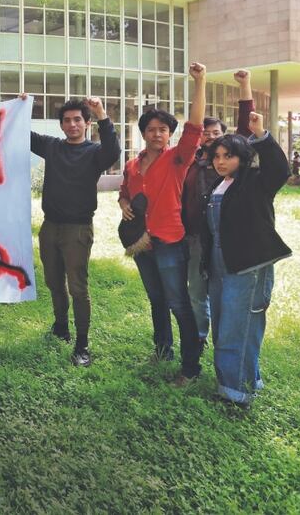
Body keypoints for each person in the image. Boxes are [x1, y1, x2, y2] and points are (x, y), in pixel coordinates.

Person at [118, 62, 207, 384]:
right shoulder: (132, 164)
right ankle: (162, 350)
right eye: (152, 129)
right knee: (156, 300)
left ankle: (190, 367)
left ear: (170, 135)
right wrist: (125, 202)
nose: (157, 134)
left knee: (178, 304)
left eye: (163, 130)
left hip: (170, 242)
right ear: (143, 133)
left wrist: (200, 82)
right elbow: (124, 192)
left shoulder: (178, 159)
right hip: (141, 243)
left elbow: (195, 127)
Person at [202, 112, 291, 410]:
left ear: (243, 157)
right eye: (217, 156)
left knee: (236, 328)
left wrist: (262, 133)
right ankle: (246, 378)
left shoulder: (255, 181)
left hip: (248, 267)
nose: (221, 161)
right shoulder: (219, 185)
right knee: (229, 324)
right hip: (219, 266)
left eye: (228, 156)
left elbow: (279, 169)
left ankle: (234, 392)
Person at [29, 96, 121, 367]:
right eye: (67, 120)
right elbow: (20, 133)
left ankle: (82, 344)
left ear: (87, 123)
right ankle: (61, 327)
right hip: (50, 227)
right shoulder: (53, 147)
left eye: (78, 120)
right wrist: (20, 105)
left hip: (78, 230)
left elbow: (113, 150)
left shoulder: (95, 153)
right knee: (53, 282)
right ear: (61, 125)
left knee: (78, 288)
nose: (72, 124)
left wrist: (102, 112)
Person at [181, 69, 255, 347]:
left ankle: (227, 341)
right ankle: (200, 338)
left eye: (216, 133)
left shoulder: (232, 165)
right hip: (195, 238)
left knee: (226, 291)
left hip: (229, 240)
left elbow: (246, 128)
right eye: (206, 134)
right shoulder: (190, 161)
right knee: (197, 292)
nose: (210, 137)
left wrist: (245, 86)